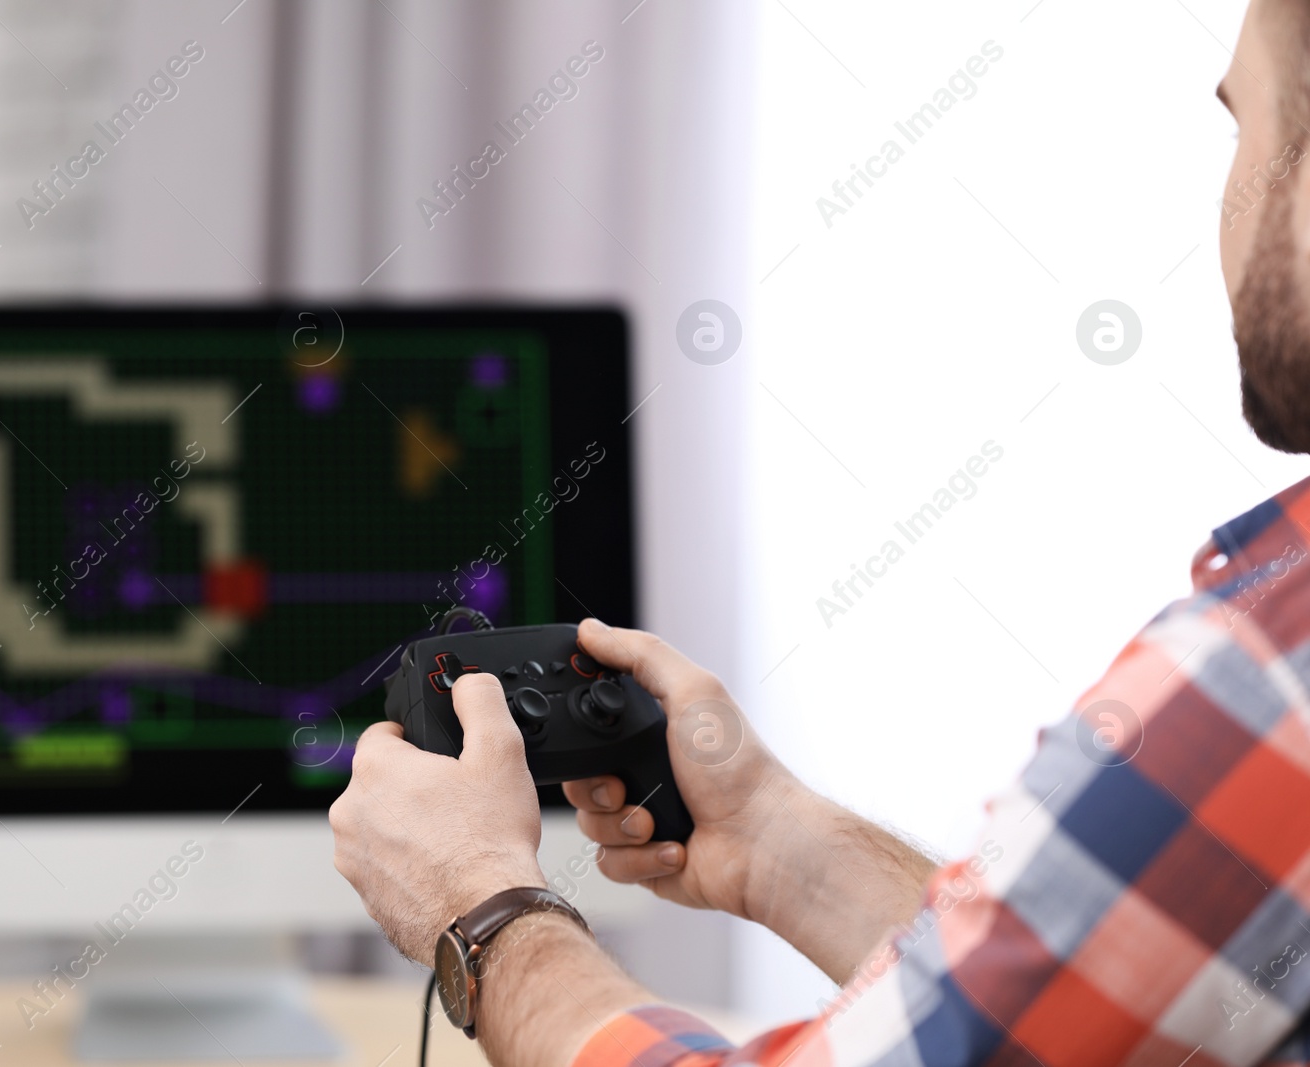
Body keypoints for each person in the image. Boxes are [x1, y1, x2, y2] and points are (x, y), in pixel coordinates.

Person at [330, 1, 1310, 1063]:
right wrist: (784, 844)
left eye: (1245, 127)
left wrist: (483, 909)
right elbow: (1052, 1022)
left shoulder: (1270, 676)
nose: (1228, 199)